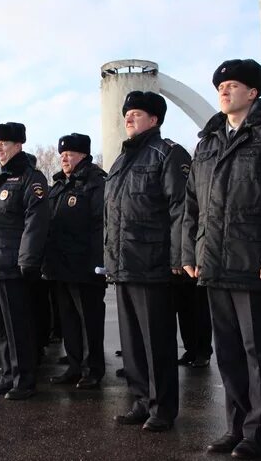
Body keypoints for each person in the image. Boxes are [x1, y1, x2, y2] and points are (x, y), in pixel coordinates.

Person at [183, 59, 261, 459]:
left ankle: (257, 434)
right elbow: (191, 203)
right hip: (212, 261)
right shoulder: (208, 141)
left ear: (253, 92)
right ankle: (235, 427)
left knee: (256, 352)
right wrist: (189, 251)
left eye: (232, 85)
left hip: (254, 261)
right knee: (228, 352)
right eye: (220, 87)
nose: (224, 92)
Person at [105, 92, 190, 432]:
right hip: (124, 264)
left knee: (157, 342)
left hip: (152, 262)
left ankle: (163, 408)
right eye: (127, 114)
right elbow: (113, 217)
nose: (129, 119)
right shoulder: (120, 161)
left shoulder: (167, 153)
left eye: (137, 114)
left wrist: (177, 258)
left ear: (154, 120)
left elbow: (180, 208)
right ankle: (141, 400)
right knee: (133, 344)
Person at [0, 122, 50, 401]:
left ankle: (24, 380)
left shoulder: (31, 178)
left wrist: (27, 261)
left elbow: (36, 223)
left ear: (18, 144)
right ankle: (8, 375)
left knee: (18, 327)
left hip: (12, 265)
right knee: (2, 328)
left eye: (4, 143)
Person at [42, 133, 107, 389]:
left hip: (85, 266)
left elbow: (100, 225)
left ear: (83, 155)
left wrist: (98, 264)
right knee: (68, 319)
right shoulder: (59, 185)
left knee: (89, 319)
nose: (64, 158)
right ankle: (74, 365)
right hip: (60, 265)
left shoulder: (95, 182)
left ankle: (93, 369)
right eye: (62, 154)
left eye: (69, 153)